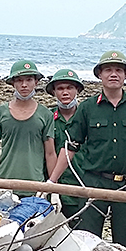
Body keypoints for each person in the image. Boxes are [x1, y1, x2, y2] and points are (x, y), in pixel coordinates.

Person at [49, 50, 126, 248]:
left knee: (124, 243)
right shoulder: (87, 108)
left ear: (125, 75)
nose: (113, 74)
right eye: (108, 70)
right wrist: (52, 182)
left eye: (118, 70)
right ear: (99, 75)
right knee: (87, 240)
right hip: (94, 181)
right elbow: (71, 147)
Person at [0, 60, 56, 192]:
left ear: (36, 82)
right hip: (4, 183)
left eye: (29, 80)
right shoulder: (0, 113)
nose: (24, 85)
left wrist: (53, 187)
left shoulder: (46, 114)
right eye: (19, 80)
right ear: (13, 83)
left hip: (34, 185)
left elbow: (50, 153)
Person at [46, 68, 86, 218]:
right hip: (54, 187)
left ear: (77, 90)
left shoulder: (87, 116)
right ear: (54, 92)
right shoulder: (47, 117)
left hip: (81, 186)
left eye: (70, 88)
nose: (65, 92)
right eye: (60, 88)